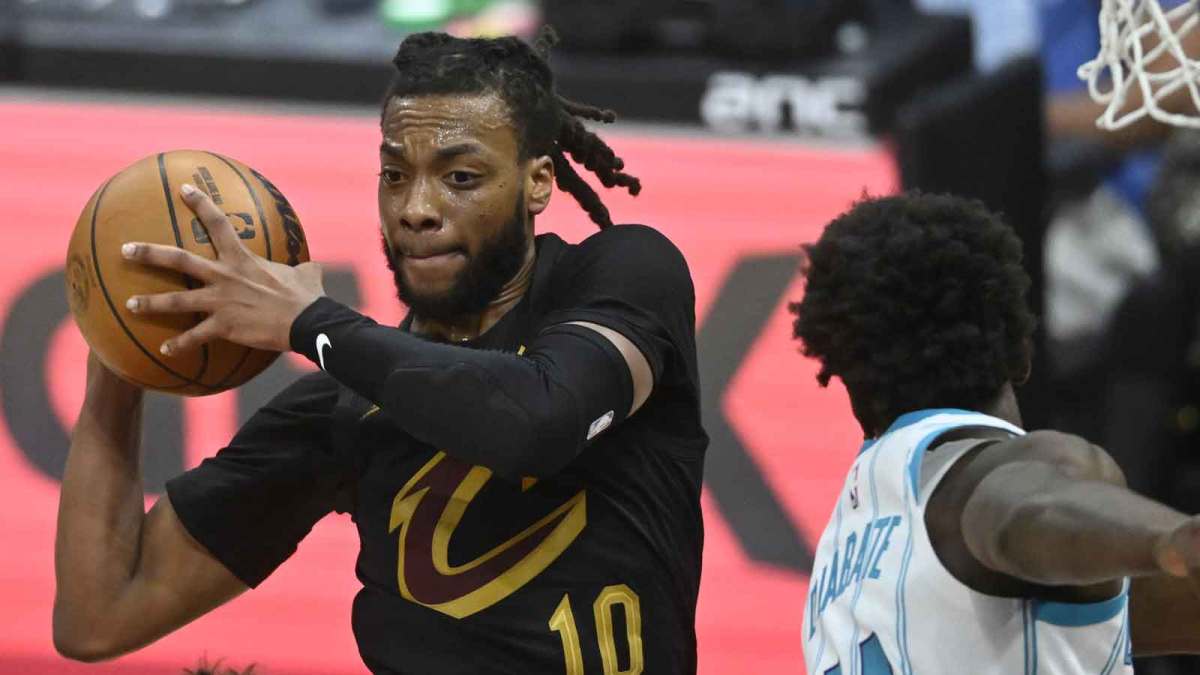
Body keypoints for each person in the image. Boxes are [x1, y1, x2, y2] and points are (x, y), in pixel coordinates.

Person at [53, 28, 707, 674]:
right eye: (395, 174)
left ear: (537, 182)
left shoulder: (624, 274)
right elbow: (98, 617)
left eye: (461, 176)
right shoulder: (344, 405)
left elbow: (539, 422)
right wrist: (118, 347)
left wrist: (310, 323)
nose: (416, 208)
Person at [794, 192, 1200, 673]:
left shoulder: (845, 556)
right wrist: (1174, 538)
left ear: (849, 380)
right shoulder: (988, 476)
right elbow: (1031, 502)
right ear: (1022, 352)